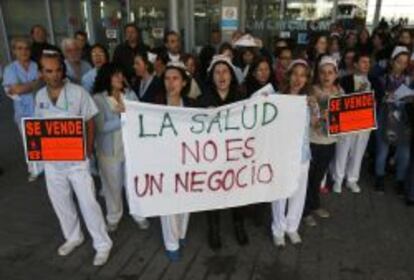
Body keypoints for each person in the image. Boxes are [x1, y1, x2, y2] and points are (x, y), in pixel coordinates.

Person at [34, 50, 112, 266]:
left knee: (88, 203)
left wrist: (87, 150)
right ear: (41, 73)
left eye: (58, 69)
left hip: (77, 160)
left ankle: (102, 244)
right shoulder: (39, 97)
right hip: (52, 162)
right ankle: (73, 236)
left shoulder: (78, 93)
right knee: (61, 202)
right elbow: (38, 128)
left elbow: (89, 121)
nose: (55, 75)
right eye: (49, 71)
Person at [197, 55, 248, 249]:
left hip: (236, 156)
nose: (221, 76)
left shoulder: (242, 99)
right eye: (217, 72)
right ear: (212, 77)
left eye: (225, 71)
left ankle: (239, 225)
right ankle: (214, 229)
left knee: (238, 193)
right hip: (213, 159)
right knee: (214, 194)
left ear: (231, 75)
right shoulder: (203, 100)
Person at [93, 63, 150, 232]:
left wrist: (126, 113)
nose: (120, 78)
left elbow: (140, 115)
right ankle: (113, 216)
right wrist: (124, 116)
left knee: (133, 184)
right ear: (107, 78)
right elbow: (101, 127)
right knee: (112, 187)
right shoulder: (98, 99)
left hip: (131, 150)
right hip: (109, 152)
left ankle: (138, 214)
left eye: (121, 74)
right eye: (115, 75)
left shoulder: (130, 94)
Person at [271, 59, 312, 247]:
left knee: (298, 193)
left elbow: (314, 125)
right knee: (280, 193)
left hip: (302, 155)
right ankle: (278, 228)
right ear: (288, 76)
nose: (298, 79)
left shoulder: (308, 100)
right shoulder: (277, 98)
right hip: (282, 155)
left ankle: (292, 227)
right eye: (295, 74)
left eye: (303, 75)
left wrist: (320, 114)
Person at [159, 61, 194, 261]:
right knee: (167, 204)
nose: (171, 83)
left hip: (187, 161)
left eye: (175, 78)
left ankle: (180, 234)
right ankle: (171, 243)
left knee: (185, 202)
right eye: (167, 78)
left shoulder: (191, 104)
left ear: (183, 83)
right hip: (162, 163)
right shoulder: (153, 104)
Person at [303, 55, 341, 227]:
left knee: (318, 176)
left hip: (330, 142)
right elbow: (306, 119)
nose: (327, 76)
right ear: (318, 74)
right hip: (312, 141)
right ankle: (304, 211)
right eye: (323, 72)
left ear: (336, 74)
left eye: (330, 72)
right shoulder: (310, 92)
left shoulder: (340, 93)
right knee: (308, 177)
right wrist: (319, 116)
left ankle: (314, 205)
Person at [331, 52, 374, 193]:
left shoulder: (374, 80)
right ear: (355, 64)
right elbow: (338, 98)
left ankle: (352, 179)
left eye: (368, 62)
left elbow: (378, 99)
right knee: (342, 150)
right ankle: (337, 179)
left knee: (358, 152)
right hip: (347, 120)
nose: (366, 64)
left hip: (365, 122)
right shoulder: (344, 80)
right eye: (363, 61)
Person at [2, 37, 42, 181]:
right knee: (29, 142)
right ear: (14, 51)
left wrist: (25, 86)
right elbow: (17, 90)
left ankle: (46, 167)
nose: (24, 51)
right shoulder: (10, 69)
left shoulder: (36, 65)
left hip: (40, 108)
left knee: (43, 139)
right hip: (23, 112)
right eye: (19, 48)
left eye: (26, 48)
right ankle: (34, 170)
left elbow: (40, 85)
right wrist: (34, 83)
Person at [375, 46, 412, 193]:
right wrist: (384, 97)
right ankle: (379, 177)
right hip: (385, 115)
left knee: (404, 151)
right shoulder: (382, 77)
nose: (401, 66)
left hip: (403, 117)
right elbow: (377, 95)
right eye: (399, 62)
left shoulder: (409, 79)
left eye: (404, 62)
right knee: (382, 150)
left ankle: (400, 180)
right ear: (392, 61)